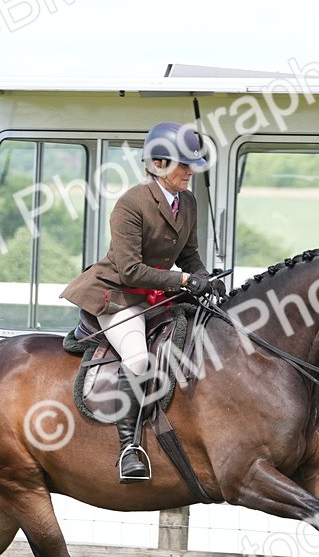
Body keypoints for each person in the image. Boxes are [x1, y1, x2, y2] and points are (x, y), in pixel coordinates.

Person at [59, 121, 218, 483]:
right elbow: (130, 270)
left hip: (156, 293)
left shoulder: (188, 202)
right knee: (137, 357)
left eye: (192, 164)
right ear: (158, 164)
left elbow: (189, 256)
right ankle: (129, 448)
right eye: (183, 164)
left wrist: (204, 279)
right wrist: (183, 280)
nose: (190, 171)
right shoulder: (131, 203)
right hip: (116, 295)